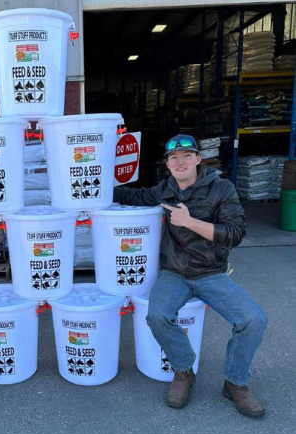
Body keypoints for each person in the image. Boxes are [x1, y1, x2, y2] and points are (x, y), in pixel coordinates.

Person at [114, 134, 267, 418]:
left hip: (211, 274)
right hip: (174, 273)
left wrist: (189, 222)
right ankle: (184, 371)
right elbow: (131, 195)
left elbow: (235, 234)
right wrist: (86, 196)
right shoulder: (165, 189)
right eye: (174, 158)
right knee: (157, 316)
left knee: (253, 320)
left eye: (187, 156)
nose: (180, 162)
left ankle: (236, 383)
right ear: (168, 165)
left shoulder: (221, 189)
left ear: (198, 159)